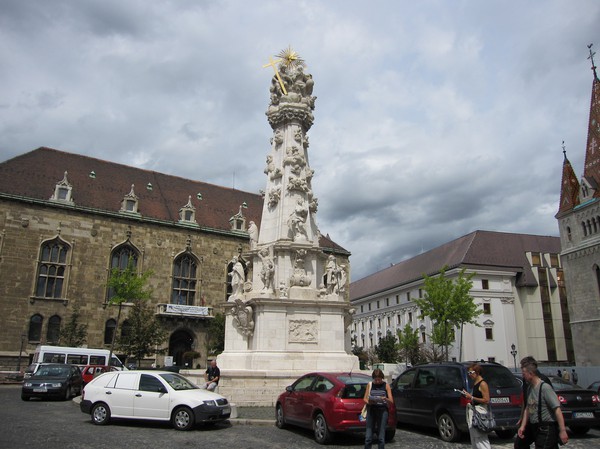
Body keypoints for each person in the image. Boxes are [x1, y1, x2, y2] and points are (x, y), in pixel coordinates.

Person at [517, 361, 568, 448]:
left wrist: (563, 430)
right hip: (535, 427)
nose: (523, 376)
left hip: (546, 428)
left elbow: (557, 409)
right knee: (519, 445)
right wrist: (522, 426)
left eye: (524, 374)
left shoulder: (545, 387)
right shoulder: (529, 388)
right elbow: (527, 408)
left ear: (531, 373)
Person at [515, 356, 553, 449]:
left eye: (522, 366)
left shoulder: (543, 380)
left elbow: (552, 404)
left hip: (543, 421)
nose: (521, 370)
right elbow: (526, 400)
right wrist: (521, 418)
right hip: (529, 418)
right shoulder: (526, 379)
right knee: (519, 444)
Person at [463, 363, 491, 449]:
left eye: (470, 372)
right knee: (475, 439)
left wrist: (471, 397)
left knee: (481, 440)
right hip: (474, 414)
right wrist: (468, 395)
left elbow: (486, 400)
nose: (469, 375)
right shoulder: (476, 383)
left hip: (480, 415)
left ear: (477, 372)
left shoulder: (482, 384)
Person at [363, 368, 393, 449]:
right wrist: (370, 402)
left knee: (381, 436)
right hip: (372, 409)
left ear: (382, 378)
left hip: (382, 410)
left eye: (379, 380)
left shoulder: (386, 385)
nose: (377, 381)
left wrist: (385, 399)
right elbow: (365, 398)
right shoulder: (370, 385)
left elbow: (391, 401)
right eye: (376, 380)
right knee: (368, 437)